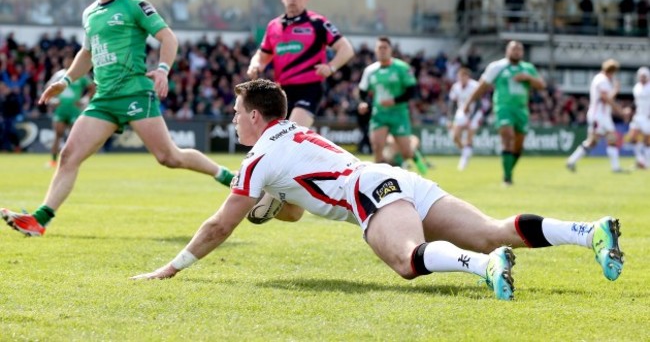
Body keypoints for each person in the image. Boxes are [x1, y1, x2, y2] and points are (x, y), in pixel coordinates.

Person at [131, 79, 625, 302]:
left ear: (257, 117)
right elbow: (298, 212)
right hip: (392, 178)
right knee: (492, 229)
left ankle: (484, 268)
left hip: (368, 190)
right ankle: (589, 232)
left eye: (238, 113)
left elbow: (219, 225)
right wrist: (274, 207)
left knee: (405, 261)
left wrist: (171, 267)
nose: (233, 119)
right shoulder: (294, 135)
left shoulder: (259, 156)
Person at [1, 0, 234, 237]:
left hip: (135, 92)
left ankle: (225, 175)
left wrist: (163, 69)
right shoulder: (90, 13)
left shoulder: (135, 4)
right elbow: (87, 53)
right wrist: (67, 80)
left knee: (169, 157)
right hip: (104, 99)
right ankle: (39, 220)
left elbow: (168, 37)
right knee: (69, 155)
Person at [245, 0, 354, 224]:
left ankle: (272, 195)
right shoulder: (274, 26)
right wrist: (255, 65)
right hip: (281, 93)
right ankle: (292, 203)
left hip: (308, 89)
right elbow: (262, 55)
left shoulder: (318, 23)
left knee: (287, 138)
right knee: (276, 142)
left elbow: (346, 49)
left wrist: (332, 67)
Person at [464, 41, 546, 186]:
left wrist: (528, 78)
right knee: (508, 137)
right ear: (507, 51)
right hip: (503, 108)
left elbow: (541, 85)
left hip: (521, 110)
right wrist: (468, 102)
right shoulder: (497, 67)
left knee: (518, 147)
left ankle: (508, 171)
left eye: (519, 49)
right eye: (514, 49)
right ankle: (507, 178)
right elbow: (482, 86)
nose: (517, 52)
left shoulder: (528, 68)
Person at [357, 36, 427, 175]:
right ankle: (379, 182)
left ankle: (414, 156)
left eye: (385, 48)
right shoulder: (370, 71)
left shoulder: (402, 67)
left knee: (406, 152)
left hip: (399, 113)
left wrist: (395, 101)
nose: (382, 50)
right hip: (379, 114)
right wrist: (364, 103)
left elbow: (412, 91)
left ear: (391, 50)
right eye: (379, 48)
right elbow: (362, 91)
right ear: (375, 51)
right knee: (377, 149)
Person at [566, 59, 628, 173]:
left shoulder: (600, 79)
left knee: (600, 141)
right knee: (595, 140)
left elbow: (606, 97)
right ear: (611, 71)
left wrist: (614, 90)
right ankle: (571, 161)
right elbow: (606, 99)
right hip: (599, 116)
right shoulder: (602, 80)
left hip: (602, 116)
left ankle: (572, 161)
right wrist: (620, 110)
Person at [46, 55, 95, 168]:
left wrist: (84, 100)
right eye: (65, 59)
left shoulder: (80, 75)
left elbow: (92, 87)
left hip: (74, 109)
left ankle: (75, 161)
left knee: (74, 136)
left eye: (69, 60)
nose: (67, 62)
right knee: (58, 134)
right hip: (61, 109)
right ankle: (53, 161)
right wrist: (53, 100)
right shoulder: (59, 75)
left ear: (74, 61)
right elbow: (48, 87)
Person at [448, 67, 482, 171]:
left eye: (464, 77)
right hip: (461, 112)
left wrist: (470, 119)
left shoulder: (475, 85)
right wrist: (450, 118)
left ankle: (464, 159)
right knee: (454, 136)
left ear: (468, 77)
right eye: (459, 77)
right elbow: (452, 104)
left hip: (474, 113)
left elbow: (478, 104)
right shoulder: (455, 87)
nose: (461, 79)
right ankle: (466, 151)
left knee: (469, 135)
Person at [625, 66, 650, 169]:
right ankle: (640, 160)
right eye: (640, 76)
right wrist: (630, 110)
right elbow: (636, 102)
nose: (642, 78)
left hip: (648, 117)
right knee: (632, 138)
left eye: (644, 76)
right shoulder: (636, 87)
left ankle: (647, 162)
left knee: (647, 141)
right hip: (638, 116)